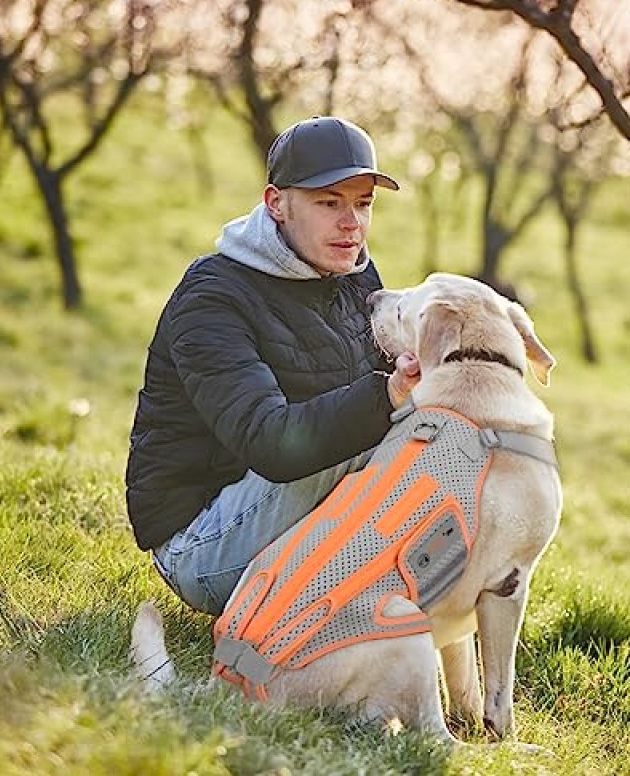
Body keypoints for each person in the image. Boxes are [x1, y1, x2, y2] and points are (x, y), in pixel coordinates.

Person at [126, 116, 421, 615]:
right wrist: (390, 395)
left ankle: (436, 594)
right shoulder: (213, 297)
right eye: (329, 203)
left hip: (294, 517)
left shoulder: (352, 272)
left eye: (363, 204)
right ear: (276, 204)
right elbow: (272, 443)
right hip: (203, 547)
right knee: (389, 425)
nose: (352, 223)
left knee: (447, 424)